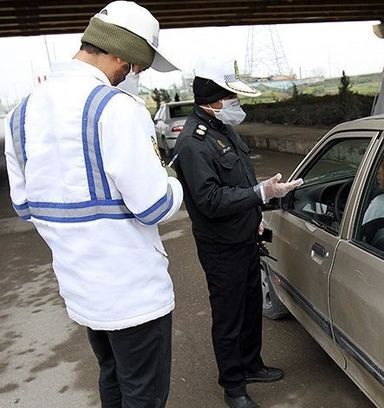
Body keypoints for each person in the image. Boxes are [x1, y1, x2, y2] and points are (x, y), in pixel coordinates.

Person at [3, 2, 183, 407]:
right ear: (119, 52)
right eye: (136, 66)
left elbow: (24, 206)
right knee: (144, 394)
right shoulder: (116, 109)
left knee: (113, 380)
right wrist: (174, 183)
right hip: (136, 297)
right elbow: (154, 206)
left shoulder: (20, 115)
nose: (134, 76)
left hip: (82, 291)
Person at [173, 60, 303, 408]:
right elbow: (210, 199)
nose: (236, 103)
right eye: (231, 97)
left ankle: (251, 365)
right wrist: (260, 194)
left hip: (245, 235)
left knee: (249, 307)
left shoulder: (223, 129)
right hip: (221, 247)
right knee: (229, 316)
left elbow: (241, 180)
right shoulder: (193, 143)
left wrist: (256, 212)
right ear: (214, 100)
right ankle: (233, 387)